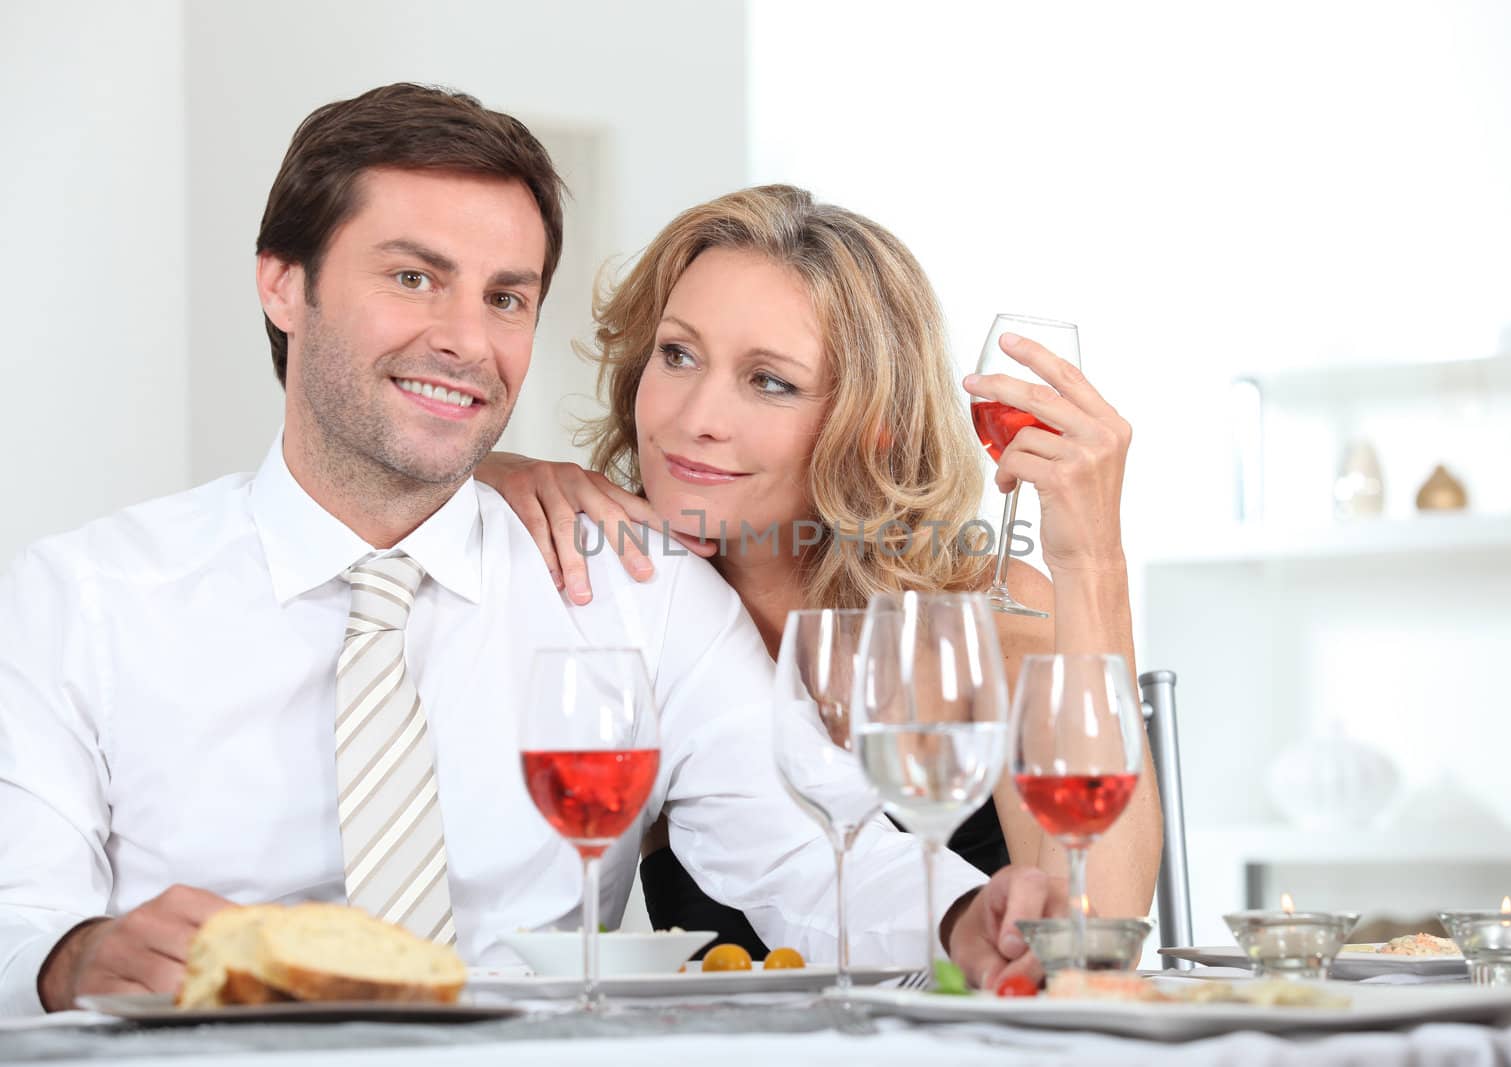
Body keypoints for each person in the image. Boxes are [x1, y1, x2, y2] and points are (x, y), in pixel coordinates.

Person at [0, 84, 1066, 1017]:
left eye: (505, 296)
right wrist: (68, 955)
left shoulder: (641, 593)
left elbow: (808, 854)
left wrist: (965, 917)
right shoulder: (77, 598)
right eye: (414, 278)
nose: (467, 337)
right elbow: (17, 916)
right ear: (284, 283)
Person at [476, 186, 1162, 953]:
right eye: (677, 354)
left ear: (872, 425)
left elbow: (1094, 933)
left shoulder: (984, 618)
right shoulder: (614, 595)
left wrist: (1092, 555)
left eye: (770, 381)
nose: (694, 416)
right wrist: (482, 467)